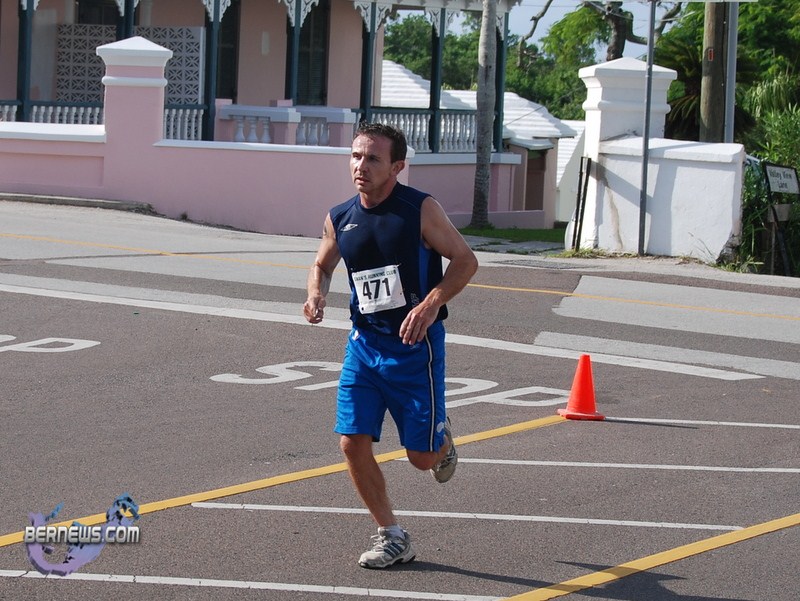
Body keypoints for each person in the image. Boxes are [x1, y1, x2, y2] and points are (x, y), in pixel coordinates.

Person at [303, 123, 478, 569]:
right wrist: (316, 293)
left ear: (397, 167)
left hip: (415, 347)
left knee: (422, 459)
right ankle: (392, 535)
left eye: (372, 159)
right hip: (363, 346)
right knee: (351, 442)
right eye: (356, 156)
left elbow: (465, 260)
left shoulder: (419, 209)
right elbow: (322, 264)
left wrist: (431, 305)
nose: (360, 166)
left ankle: (440, 438)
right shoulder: (340, 216)